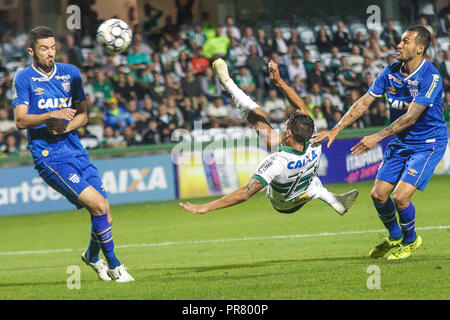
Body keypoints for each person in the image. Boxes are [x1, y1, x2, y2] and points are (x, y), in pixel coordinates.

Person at [313, 25, 447, 260]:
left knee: (400, 197)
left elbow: (412, 116)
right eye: (400, 40)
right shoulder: (390, 72)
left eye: (405, 41)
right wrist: (336, 129)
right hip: (401, 142)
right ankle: (394, 236)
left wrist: (377, 137)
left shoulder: (431, 77)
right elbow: (364, 102)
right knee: (378, 195)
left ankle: (410, 240)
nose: (399, 45)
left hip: (428, 143)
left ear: (420, 49)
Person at [11, 26, 134, 281]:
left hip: (76, 152)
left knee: (105, 214)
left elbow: (83, 116)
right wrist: (50, 115)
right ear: (31, 51)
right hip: (50, 157)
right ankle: (115, 266)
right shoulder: (24, 78)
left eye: (53, 47)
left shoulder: (71, 74)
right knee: (99, 206)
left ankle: (91, 256)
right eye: (44, 49)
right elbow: (20, 121)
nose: (51, 53)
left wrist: (65, 126)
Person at [180, 58, 358, 217]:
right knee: (312, 183)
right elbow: (301, 107)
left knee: (259, 121)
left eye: (285, 126)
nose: (283, 127)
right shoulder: (314, 140)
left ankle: (228, 84)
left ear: (288, 134)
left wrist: (206, 207)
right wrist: (279, 81)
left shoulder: (276, 162)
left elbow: (245, 193)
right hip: (306, 188)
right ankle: (328, 196)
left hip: (285, 203)